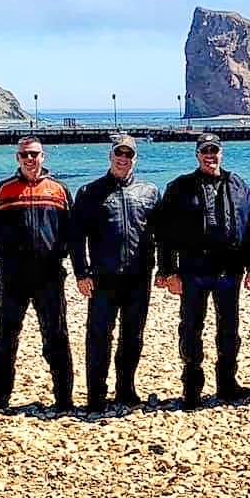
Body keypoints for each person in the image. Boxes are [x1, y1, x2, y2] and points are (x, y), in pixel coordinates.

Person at [154, 133, 250, 409]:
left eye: (214, 150)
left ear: (221, 153)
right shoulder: (179, 187)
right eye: (205, 151)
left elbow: (249, 227)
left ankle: (227, 384)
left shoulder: (238, 184)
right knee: (191, 328)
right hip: (193, 271)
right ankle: (191, 388)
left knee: (229, 329)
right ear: (197, 155)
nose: (210, 156)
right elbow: (163, 234)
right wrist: (168, 271)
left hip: (230, 270)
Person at [0, 136, 75, 412]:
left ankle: (64, 399)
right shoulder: (4, 189)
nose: (30, 160)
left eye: (34, 154)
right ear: (17, 159)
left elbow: (72, 231)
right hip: (12, 276)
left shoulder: (58, 190)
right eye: (24, 155)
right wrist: (2, 254)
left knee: (56, 335)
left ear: (43, 157)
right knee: (6, 336)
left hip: (49, 276)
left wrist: (61, 254)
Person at [69, 135, 161, 412]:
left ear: (136, 159)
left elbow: (163, 234)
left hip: (138, 277)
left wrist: (167, 269)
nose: (123, 159)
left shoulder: (149, 192)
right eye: (119, 154)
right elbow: (76, 237)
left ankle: (126, 389)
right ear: (110, 157)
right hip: (102, 277)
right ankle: (95, 394)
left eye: (129, 155)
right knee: (98, 336)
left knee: (133, 335)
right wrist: (81, 273)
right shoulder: (90, 192)